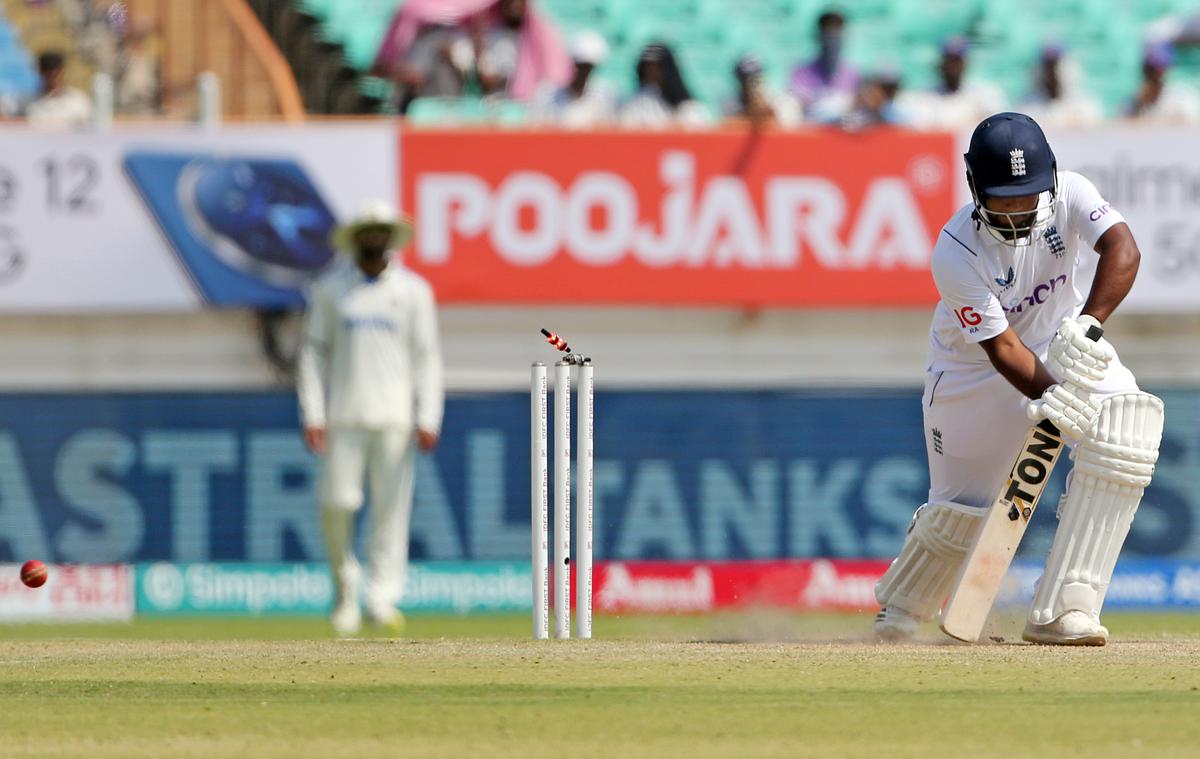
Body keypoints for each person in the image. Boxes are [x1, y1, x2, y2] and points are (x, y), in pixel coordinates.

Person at [873, 113, 1164, 646]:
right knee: (965, 515)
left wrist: (1089, 326)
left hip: (1068, 344)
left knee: (1128, 430)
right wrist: (1053, 395)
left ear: (1050, 178)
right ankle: (904, 607)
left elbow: (1124, 250)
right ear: (974, 188)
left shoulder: (1073, 191)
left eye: (1028, 197)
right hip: (972, 373)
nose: (1017, 212)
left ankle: (1065, 608)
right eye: (1002, 199)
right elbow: (1002, 347)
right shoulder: (955, 251)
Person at [297, 201, 444, 637]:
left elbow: (427, 358)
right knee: (338, 503)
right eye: (368, 231)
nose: (375, 239)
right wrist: (314, 411)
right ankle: (345, 593)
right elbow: (311, 352)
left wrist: (428, 413)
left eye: (382, 231)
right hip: (344, 415)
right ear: (356, 238)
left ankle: (382, 598)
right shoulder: (331, 289)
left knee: (390, 513)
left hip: (395, 418)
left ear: (392, 237)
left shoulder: (414, 291)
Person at [372, 0, 570, 103]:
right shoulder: (444, 38)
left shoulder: (516, 40)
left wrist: (477, 51)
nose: (514, 7)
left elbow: (490, 79)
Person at [899, 38, 1005, 131]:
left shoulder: (983, 94)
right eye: (949, 60)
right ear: (941, 63)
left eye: (956, 61)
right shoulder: (924, 97)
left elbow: (998, 125)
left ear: (965, 63)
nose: (953, 66)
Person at [531, 29, 617, 129]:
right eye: (578, 65)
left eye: (587, 67)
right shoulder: (547, 95)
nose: (581, 71)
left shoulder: (606, 98)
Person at [619, 42, 710, 130]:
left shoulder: (689, 107)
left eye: (657, 67)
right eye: (648, 67)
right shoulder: (638, 103)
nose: (652, 72)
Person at [788, 10, 857, 123]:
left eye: (837, 36)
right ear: (819, 37)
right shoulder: (800, 73)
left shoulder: (854, 76)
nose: (832, 43)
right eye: (828, 37)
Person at [1020, 45, 1102, 129]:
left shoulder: (1086, 108)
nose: (1051, 74)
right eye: (1048, 67)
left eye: (1054, 67)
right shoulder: (1028, 109)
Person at [1126, 44, 1200, 124]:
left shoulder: (1182, 96)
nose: (1154, 75)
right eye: (1150, 70)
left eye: (1158, 69)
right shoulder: (1135, 101)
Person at [723, 54, 801, 128]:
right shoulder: (731, 104)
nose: (750, 85)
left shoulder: (783, 102)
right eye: (745, 79)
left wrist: (768, 110)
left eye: (756, 79)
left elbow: (789, 132)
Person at [26, 51, 93, 128]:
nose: (52, 76)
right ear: (40, 71)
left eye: (56, 72)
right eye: (47, 72)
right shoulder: (28, 102)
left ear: (63, 71)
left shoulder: (78, 101)